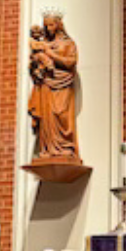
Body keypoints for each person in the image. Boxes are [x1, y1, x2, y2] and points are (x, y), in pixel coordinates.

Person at [27, 11, 80, 160]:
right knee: (47, 118)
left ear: (58, 25)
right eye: (46, 25)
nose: (48, 28)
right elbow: (34, 63)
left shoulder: (68, 44)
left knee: (61, 114)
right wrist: (36, 69)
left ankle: (65, 146)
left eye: (51, 25)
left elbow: (70, 62)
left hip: (63, 84)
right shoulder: (43, 45)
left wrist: (50, 54)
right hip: (47, 84)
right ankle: (48, 149)